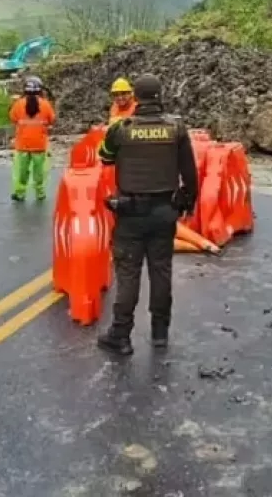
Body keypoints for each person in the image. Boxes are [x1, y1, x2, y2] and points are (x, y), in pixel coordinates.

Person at [95, 74, 200, 356]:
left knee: (128, 274)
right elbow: (190, 172)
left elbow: (104, 157)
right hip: (165, 212)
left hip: (130, 214)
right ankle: (160, 334)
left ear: (135, 97)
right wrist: (188, 202)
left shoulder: (121, 129)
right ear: (160, 95)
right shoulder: (176, 129)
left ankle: (121, 335)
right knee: (161, 271)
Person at [9, 76, 55, 202]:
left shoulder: (18, 104)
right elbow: (52, 120)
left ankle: (20, 193)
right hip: (39, 144)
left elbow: (12, 118)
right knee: (39, 171)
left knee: (22, 171)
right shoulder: (45, 104)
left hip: (23, 144)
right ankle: (40, 193)